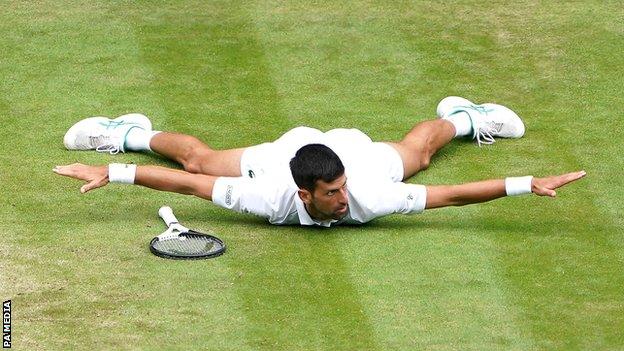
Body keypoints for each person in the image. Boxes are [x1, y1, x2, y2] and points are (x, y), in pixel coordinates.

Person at [54, 96, 585, 227]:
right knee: (199, 162)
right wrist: (115, 172)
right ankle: (127, 133)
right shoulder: (268, 193)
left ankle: (469, 117)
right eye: (332, 194)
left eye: (342, 191)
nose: (343, 199)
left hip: (356, 153)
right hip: (286, 155)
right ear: (304, 195)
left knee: (421, 152)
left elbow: (451, 195)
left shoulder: (365, 189)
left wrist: (526, 183)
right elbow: (186, 186)